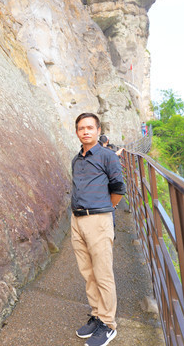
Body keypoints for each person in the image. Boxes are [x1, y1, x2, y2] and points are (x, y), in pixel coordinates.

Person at [71, 112, 126, 346]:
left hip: (99, 220)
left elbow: (118, 188)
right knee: (88, 272)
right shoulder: (76, 159)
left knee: (103, 273)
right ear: (76, 132)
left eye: (90, 128)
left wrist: (107, 209)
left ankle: (108, 324)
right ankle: (97, 314)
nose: (86, 131)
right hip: (77, 220)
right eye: (81, 128)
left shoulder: (107, 157)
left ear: (98, 130)